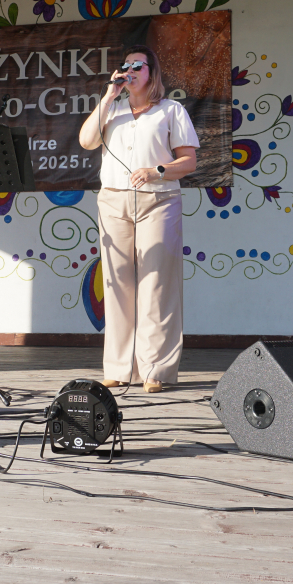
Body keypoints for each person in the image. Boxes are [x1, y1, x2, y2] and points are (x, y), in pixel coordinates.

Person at [78, 45, 198, 393]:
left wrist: (157, 170)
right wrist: (108, 96)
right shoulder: (112, 109)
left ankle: (154, 370)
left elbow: (188, 162)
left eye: (137, 66)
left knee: (156, 284)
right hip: (113, 201)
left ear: (151, 73)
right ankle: (118, 368)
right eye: (125, 65)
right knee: (117, 285)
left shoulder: (170, 110)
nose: (129, 70)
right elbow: (86, 141)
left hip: (158, 200)